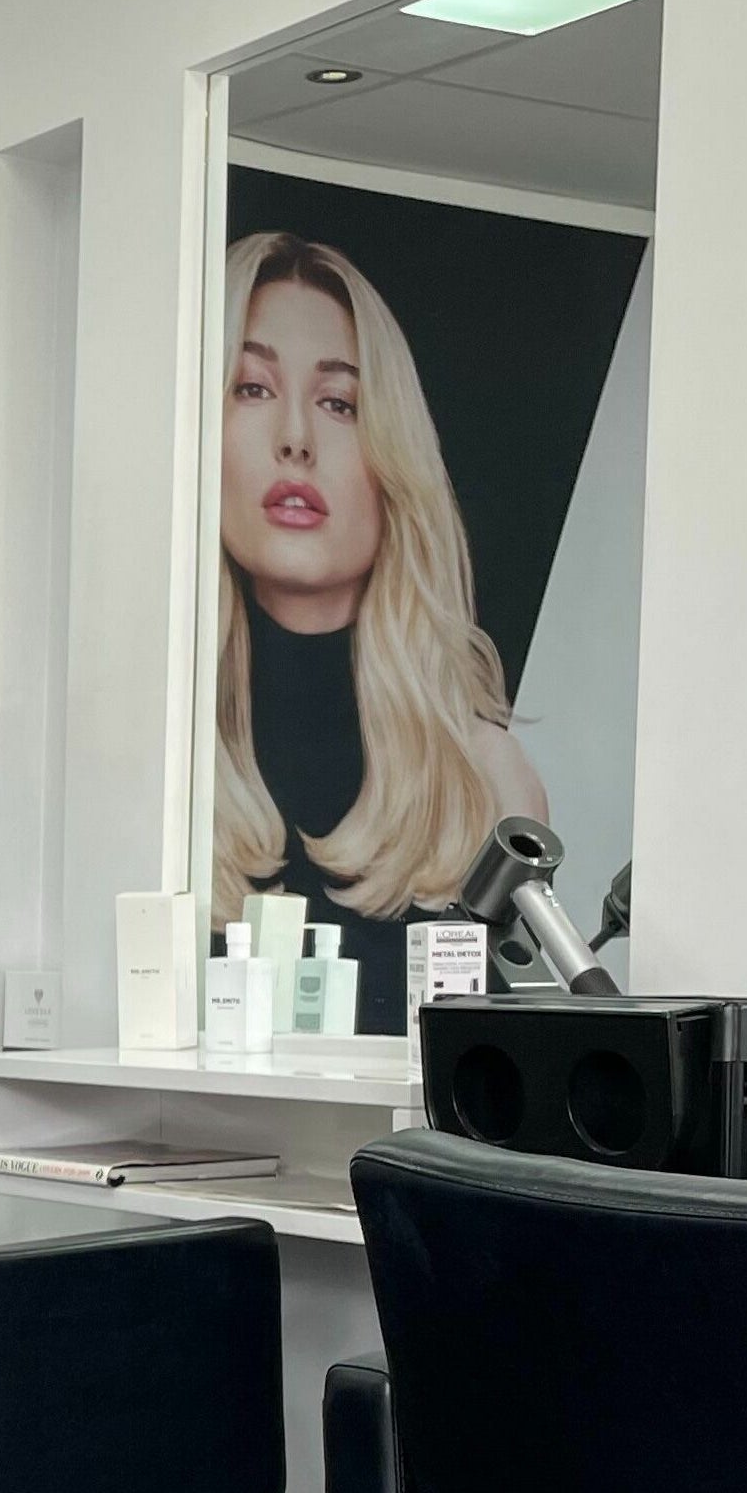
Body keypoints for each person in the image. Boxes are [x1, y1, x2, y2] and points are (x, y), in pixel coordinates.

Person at [211, 230, 546, 1031]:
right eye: (252, 388)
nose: (296, 437)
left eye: (339, 404)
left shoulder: (482, 773)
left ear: (392, 455)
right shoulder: (155, 760)